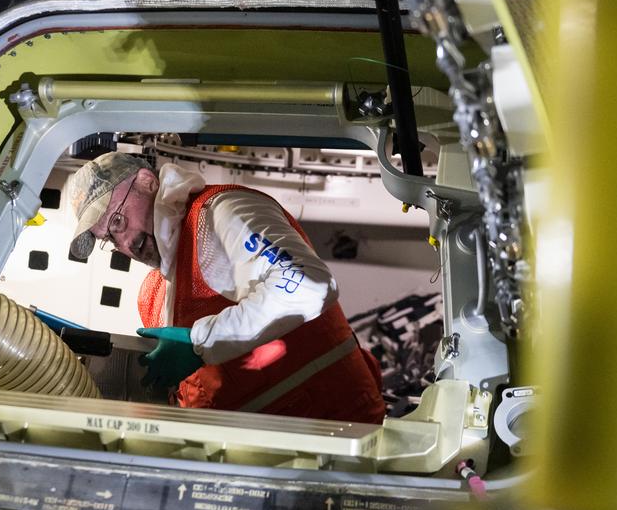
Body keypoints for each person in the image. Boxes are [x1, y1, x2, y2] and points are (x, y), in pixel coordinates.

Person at [64, 151, 385, 424]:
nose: (125, 244)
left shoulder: (220, 213)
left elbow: (308, 285)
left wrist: (199, 342)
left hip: (333, 437)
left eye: (118, 221)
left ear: (148, 182)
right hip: (247, 463)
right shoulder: (152, 296)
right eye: (109, 238)